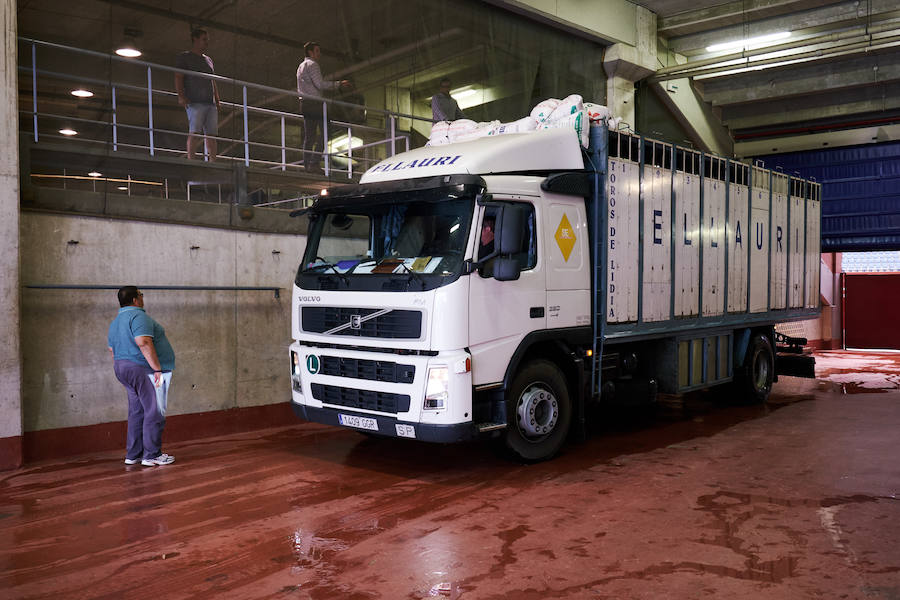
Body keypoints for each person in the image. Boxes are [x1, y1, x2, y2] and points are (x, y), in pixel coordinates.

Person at [108, 286, 176, 467]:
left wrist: (126, 366)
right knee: (155, 409)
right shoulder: (138, 316)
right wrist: (157, 369)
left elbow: (112, 350)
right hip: (144, 370)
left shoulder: (116, 321)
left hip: (123, 368)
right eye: (141, 294)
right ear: (135, 299)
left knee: (137, 411)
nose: (142, 298)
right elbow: (144, 342)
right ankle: (152, 454)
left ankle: (134, 454)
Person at [296, 41, 350, 173]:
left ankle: (307, 164)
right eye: (317, 51)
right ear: (311, 52)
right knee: (326, 131)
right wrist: (338, 84)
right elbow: (320, 84)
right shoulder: (313, 65)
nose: (319, 54)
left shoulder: (301, 66)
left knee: (309, 136)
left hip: (305, 103)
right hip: (315, 103)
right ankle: (314, 163)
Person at [175, 28, 221, 161]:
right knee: (194, 132)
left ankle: (213, 161)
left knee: (211, 134)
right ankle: (191, 160)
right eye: (204, 39)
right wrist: (181, 96)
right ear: (195, 39)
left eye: (207, 40)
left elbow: (212, 80)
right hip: (195, 101)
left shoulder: (208, 60)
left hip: (209, 102)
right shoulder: (184, 58)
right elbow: (178, 77)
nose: (207, 43)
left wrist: (217, 99)